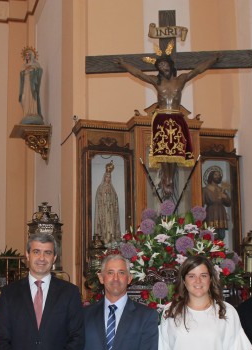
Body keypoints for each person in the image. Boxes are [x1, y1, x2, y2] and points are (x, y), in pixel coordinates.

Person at [116, 45, 219, 201]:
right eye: (160, 66)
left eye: (165, 65)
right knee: (164, 152)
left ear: (171, 66)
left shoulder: (181, 79)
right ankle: (167, 179)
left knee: (176, 152)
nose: (163, 68)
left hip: (177, 117)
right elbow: (138, 74)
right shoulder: (157, 82)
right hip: (162, 117)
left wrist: (212, 60)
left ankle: (170, 177)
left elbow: (198, 70)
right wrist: (124, 64)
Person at [94, 161, 121, 244]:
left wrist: (112, 203)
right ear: (104, 177)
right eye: (107, 177)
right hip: (104, 212)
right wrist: (104, 203)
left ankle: (112, 238)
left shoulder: (112, 189)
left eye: (110, 177)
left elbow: (115, 199)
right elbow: (98, 199)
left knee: (111, 226)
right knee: (105, 225)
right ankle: (104, 238)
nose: (108, 179)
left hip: (111, 212)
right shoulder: (100, 188)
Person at [202, 167, 232, 241]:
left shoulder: (221, 189)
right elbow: (201, 203)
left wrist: (224, 197)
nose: (218, 176)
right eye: (215, 175)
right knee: (212, 234)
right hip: (211, 213)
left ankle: (220, 250)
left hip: (221, 213)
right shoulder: (205, 190)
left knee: (221, 235)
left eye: (219, 175)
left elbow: (229, 203)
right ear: (211, 176)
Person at [19, 46, 44, 125]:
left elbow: (39, 72)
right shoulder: (24, 66)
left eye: (28, 55)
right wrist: (24, 71)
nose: (27, 56)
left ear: (31, 55)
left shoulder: (36, 65)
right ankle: (26, 113)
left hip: (31, 85)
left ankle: (33, 112)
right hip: (25, 84)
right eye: (26, 55)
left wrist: (33, 69)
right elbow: (22, 74)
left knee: (31, 96)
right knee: (24, 98)